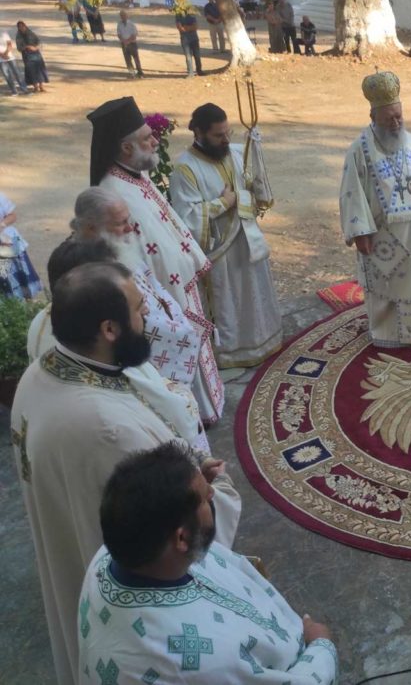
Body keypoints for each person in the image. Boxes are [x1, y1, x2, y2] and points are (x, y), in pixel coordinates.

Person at [10, 261, 241, 685]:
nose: (147, 318)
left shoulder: (42, 371)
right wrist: (211, 488)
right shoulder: (107, 428)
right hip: (146, 621)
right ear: (110, 329)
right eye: (138, 309)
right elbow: (187, 537)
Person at [78, 443, 338, 685]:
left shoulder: (112, 555)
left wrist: (189, 485)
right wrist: (320, 647)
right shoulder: (203, 662)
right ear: (181, 537)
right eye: (204, 497)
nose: (212, 493)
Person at [89, 95, 225, 424]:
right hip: (161, 293)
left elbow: (165, 223)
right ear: (125, 148)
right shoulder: (111, 193)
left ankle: (207, 406)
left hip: (178, 284)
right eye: (147, 138)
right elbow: (123, 255)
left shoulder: (136, 174)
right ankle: (191, 415)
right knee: (178, 351)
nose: (154, 141)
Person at [62, 189, 208, 407]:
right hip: (137, 367)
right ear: (92, 228)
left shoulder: (114, 247)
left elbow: (152, 287)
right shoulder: (84, 272)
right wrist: (180, 332)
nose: (130, 228)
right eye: (121, 223)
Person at [171, 103, 283, 369]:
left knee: (255, 291)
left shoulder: (235, 153)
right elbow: (185, 219)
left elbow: (254, 188)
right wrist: (224, 203)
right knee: (230, 300)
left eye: (227, 133)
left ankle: (264, 339)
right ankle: (232, 353)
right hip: (220, 251)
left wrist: (255, 154)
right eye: (218, 135)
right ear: (198, 132)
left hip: (247, 241)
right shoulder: (185, 169)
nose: (225, 140)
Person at [340, 71, 411, 347]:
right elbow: (351, 191)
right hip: (379, 234)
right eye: (389, 118)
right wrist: (359, 232)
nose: (396, 123)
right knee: (384, 286)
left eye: (399, 117)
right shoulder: (359, 149)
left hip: (410, 233)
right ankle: (385, 335)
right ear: (374, 118)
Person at [0, 191, 42, 298]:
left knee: (17, 274)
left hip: (7, 239)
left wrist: (2, 224)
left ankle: (24, 300)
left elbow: (12, 215)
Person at [15, 21, 48, 92]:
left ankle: (41, 86)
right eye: (20, 27)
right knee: (31, 71)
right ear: (18, 28)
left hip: (36, 54)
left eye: (23, 26)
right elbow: (19, 48)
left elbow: (38, 42)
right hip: (27, 56)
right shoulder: (18, 36)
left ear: (25, 26)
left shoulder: (31, 33)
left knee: (40, 70)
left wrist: (36, 48)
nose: (22, 28)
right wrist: (27, 47)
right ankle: (35, 87)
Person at [174, 7, 204, 77]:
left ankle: (199, 70)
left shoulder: (191, 15)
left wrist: (186, 27)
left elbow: (195, 26)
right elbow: (180, 28)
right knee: (188, 56)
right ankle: (190, 72)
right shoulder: (178, 15)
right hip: (185, 39)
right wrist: (190, 28)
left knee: (197, 55)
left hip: (193, 38)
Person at [116, 9, 143, 79]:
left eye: (124, 15)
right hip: (124, 44)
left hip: (132, 43)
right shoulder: (119, 24)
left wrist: (127, 41)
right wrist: (123, 40)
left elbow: (134, 35)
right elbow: (118, 34)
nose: (123, 17)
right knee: (127, 60)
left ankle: (140, 73)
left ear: (127, 16)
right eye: (121, 16)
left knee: (136, 59)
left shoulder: (131, 24)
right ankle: (132, 73)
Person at [0, 28, 28, 95]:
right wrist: (2, 55)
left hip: (10, 56)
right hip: (1, 59)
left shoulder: (3, 33)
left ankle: (24, 89)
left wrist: (6, 53)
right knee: (7, 75)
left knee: (17, 73)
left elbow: (9, 44)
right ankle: (14, 91)